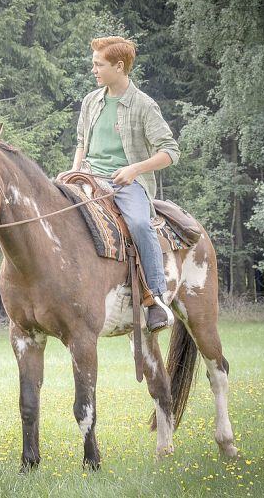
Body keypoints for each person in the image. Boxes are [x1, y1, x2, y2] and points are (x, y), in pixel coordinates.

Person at [71, 36, 180, 333]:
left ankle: (154, 298)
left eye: (98, 64)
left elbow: (170, 152)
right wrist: (74, 170)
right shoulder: (91, 101)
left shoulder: (144, 105)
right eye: (93, 64)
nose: (93, 70)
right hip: (88, 176)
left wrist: (134, 169)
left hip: (126, 184)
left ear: (119, 67)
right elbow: (81, 142)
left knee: (140, 225)